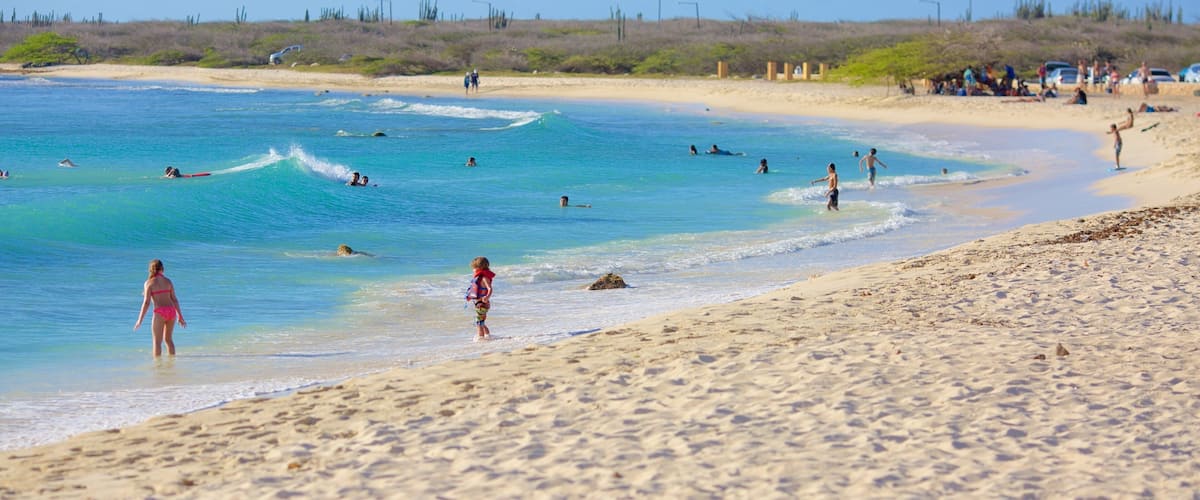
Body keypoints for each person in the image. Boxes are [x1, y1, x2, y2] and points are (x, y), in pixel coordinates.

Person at [133, 259, 186, 357]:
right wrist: (180, 316)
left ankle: (157, 367)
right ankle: (172, 363)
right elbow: (175, 300)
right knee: (168, 340)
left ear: (151, 270)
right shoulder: (168, 281)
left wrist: (139, 320)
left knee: (157, 342)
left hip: (160, 313)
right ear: (162, 269)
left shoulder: (149, 283)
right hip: (171, 312)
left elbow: (146, 303)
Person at [465, 256, 495, 341]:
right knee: (481, 322)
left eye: (474, 268)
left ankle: (480, 338)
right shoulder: (479, 277)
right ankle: (488, 336)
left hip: (483, 303)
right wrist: (470, 297)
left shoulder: (484, 278)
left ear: (479, 268)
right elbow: (475, 290)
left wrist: (487, 296)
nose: (473, 270)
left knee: (479, 322)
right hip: (479, 303)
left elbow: (489, 288)